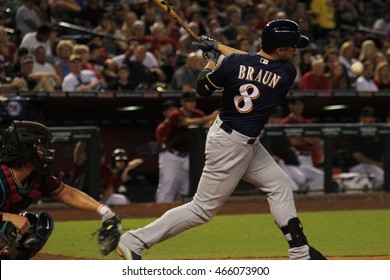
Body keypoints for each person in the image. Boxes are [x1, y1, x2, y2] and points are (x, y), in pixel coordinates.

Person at [117, 19, 327, 260]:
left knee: (278, 184)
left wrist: (212, 59)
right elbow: (255, 61)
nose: (295, 50)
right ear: (280, 49)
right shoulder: (287, 72)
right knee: (201, 209)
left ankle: (300, 252)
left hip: (238, 140)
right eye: (292, 46)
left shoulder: (237, 62)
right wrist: (217, 48)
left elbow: (203, 87)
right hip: (231, 145)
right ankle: (134, 240)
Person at [0, 121, 120, 259]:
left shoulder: (37, 177)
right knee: (6, 229)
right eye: (40, 146)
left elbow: (69, 194)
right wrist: (8, 217)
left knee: (38, 227)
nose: (45, 151)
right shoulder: (2, 176)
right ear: (25, 149)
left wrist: (105, 211)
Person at [154, 94, 218, 203]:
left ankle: (181, 210)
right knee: (168, 185)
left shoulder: (198, 113)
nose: (192, 103)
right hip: (171, 155)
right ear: (182, 103)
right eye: (188, 101)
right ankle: (160, 209)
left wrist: (214, 120)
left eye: (193, 101)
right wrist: (210, 117)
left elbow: (207, 124)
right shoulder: (175, 114)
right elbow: (186, 122)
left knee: (187, 186)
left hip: (188, 155)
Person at [266, 107, 325, 194]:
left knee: (320, 176)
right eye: (275, 117)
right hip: (282, 165)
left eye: (279, 117)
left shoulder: (283, 131)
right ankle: (297, 198)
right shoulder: (263, 131)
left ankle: (311, 200)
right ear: (269, 118)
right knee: (297, 184)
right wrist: (271, 157)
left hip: (296, 164)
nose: (278, 120)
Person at [344, 106, 384, 190]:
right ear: (361, 118)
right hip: (357, 166)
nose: (370, 119)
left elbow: (383, 151)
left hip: (374, 166)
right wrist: (377, 164)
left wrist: (383, 164)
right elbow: (357, 155)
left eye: (372, 117)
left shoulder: (377, 132)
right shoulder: (354, 131)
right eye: (367, 117)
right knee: (382, 177)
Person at [282, 96, 324, 166]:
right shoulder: (286, 122)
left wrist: (299, 136)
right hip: (296, 157)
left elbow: (316, 140)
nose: (299, 107)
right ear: (290, 106)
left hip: (312, 157)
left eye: (301, 104)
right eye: (296, 104)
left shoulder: (308, 122)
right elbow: (293, 142)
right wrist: (307, 138)